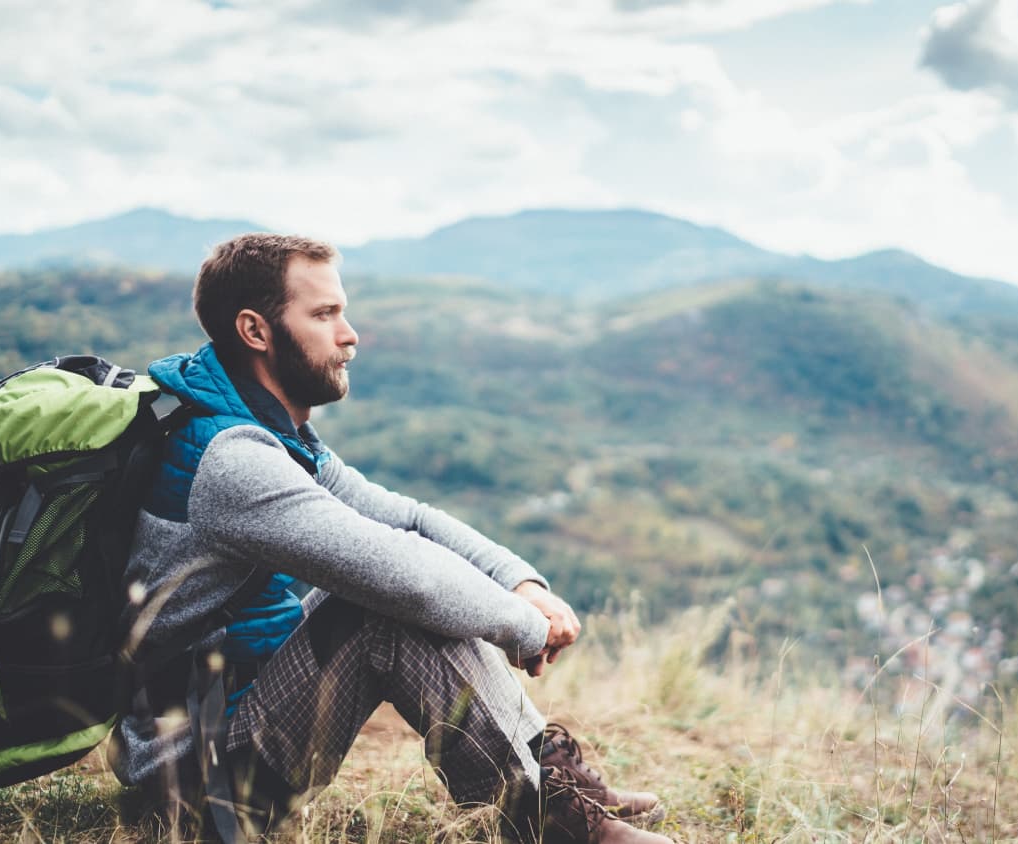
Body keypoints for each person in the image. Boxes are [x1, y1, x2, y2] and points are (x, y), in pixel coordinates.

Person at [110, 233, 672, 843]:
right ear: (255, 330)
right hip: (197, 784)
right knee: (386, 604)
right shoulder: (232, 460)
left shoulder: (262, 428)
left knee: (404, 584)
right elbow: (407, 576)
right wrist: (526, 627)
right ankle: (554, 821)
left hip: (237, 720)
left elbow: (405, 519)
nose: (349, 336)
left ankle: (552, 786)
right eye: (324, 315)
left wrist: (520, 580)